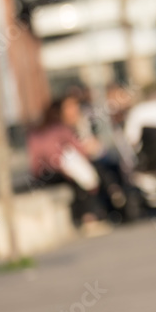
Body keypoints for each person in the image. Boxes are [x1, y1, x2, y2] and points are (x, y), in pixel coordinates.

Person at [26, 98, 110, 236]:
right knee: (85, 179)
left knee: (80, 178)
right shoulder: (61, 129)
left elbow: (36, 158)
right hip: (56, 172)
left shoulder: (36, 131)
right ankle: (90, 218)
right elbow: (77, 151)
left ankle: (87, 217)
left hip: (42, 175)